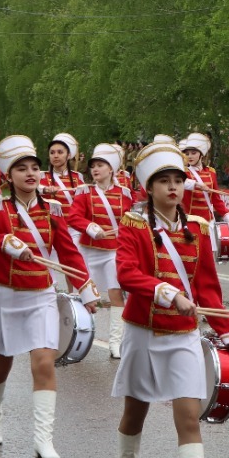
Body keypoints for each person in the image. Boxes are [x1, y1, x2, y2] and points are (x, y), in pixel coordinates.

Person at [112, 140, 229, 458]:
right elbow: (126, 273)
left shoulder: (198, 230)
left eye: (178, 180)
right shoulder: (133, 225)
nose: (173, 187)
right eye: (163, 181)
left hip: (184, 336)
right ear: (148, 188)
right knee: (135, 414)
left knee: (189, 417)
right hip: (142, 333)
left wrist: (228, 331)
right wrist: (166, 292)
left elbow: (207, 287)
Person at [0, 136, 97, 458]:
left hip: (41, 295)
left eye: (34, 168)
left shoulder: (53, 210)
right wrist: (3, 242)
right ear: (9, 176)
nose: (30, 173)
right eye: (21, 168)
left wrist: (85, 289)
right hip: (4, 296)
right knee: (1, 364)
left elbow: (68, 253)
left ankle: (43, 440)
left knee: (43, 362)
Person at [69, 143, 133, 360]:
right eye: (93, 166)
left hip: (112, 253)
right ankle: (74, 335)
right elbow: (74, 217)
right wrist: (90, 227)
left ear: (111, 169)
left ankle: (115, 343)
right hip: (88, 251)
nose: (95, 170)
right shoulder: (84, 192)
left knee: (116, 294)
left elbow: (130, 220)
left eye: (100, 165)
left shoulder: (125, 194)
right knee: (84, 295)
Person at [179, 133, 229, 260]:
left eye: (193, 153)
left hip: (207, 221)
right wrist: (196, 184)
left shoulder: (211, 172)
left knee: (208, 258)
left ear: (201, 155)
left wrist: (225, 214)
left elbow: (215, 198)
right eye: (187, 153)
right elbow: (181, 183)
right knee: (191, 257)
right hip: (190, 220)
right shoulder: (182, 171)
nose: (190, 156)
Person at [42, 133, 84, 205]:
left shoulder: (77, 177)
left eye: (60, 152)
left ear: (68, 155)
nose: (55, 156)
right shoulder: (42, 176)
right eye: (52, 153)